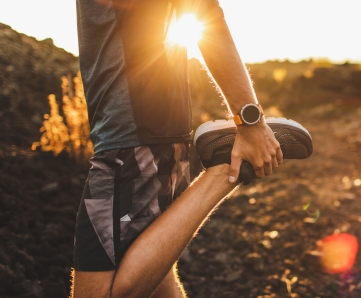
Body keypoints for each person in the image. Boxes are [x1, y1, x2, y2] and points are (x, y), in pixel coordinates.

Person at [71, 0, 312, 297]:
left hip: (133, 132)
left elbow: (202, 8)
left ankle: (225, 170)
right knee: (160, 283)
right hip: (141, 129)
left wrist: (249, 119)